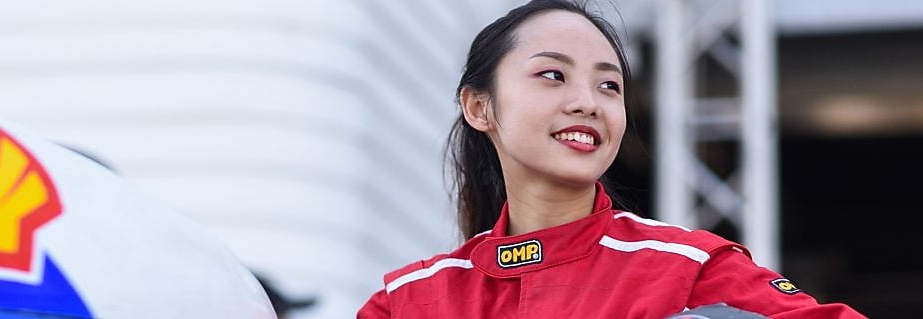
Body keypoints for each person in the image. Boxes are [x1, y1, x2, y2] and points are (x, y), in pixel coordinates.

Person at [355, 1, 866, 318]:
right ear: (479, 106)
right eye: (553, 75)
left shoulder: (689, 270)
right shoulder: (409, 301)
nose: (588, 102)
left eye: (609, 85)